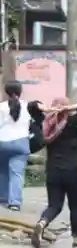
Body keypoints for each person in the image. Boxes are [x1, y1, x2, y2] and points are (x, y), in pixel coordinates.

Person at [29, 97, 77, 248]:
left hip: (53, 171)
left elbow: (31, 106)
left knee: (54, 205)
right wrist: (69, 107)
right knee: (76, 206)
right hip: (73, 170)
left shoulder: (45, 124)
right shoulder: (72, 122)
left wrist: (46, 109)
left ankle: (42, 223)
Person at [0, 81, 32, 211]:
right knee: (17, 173)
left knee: (2, 171)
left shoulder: (1, 107)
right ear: (20, 91)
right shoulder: (28, 106)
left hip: (2, 142)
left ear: (6, 91)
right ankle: (15, 202)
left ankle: (3, 197)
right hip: (21, 142)